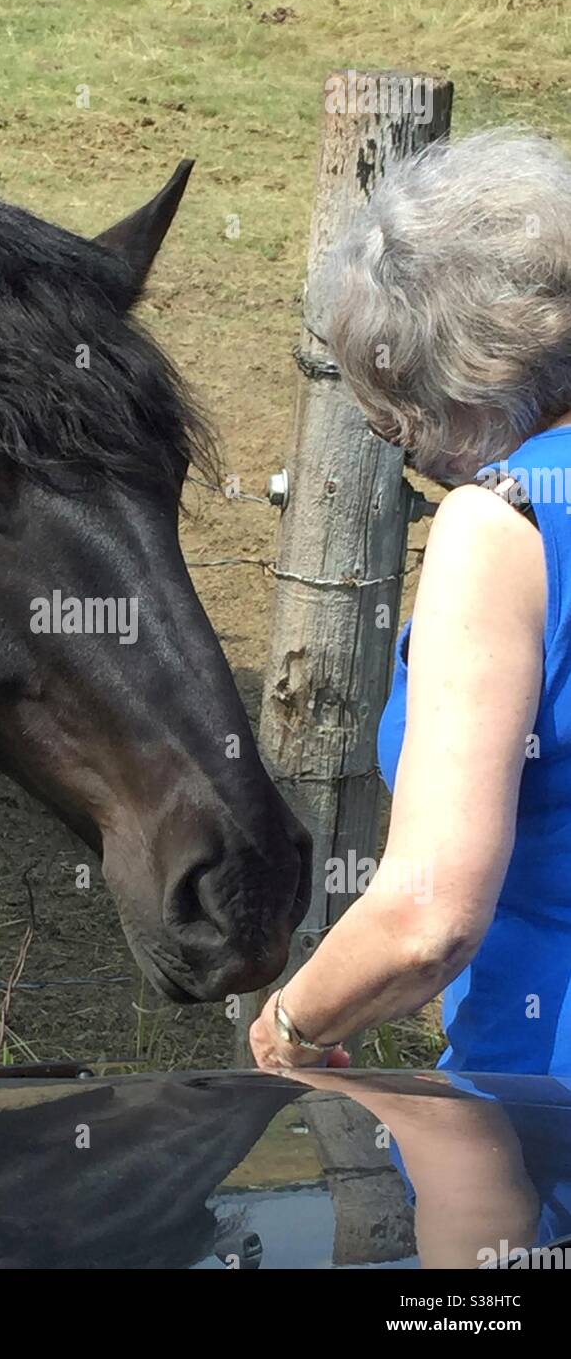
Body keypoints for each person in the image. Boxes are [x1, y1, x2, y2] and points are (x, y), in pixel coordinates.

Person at [250, 128, 571, 1077]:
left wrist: (295, 1025)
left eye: (397, 418)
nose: (408, 453)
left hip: (544, 1113)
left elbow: (428, 918)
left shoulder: (503, 526)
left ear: (454, 384)